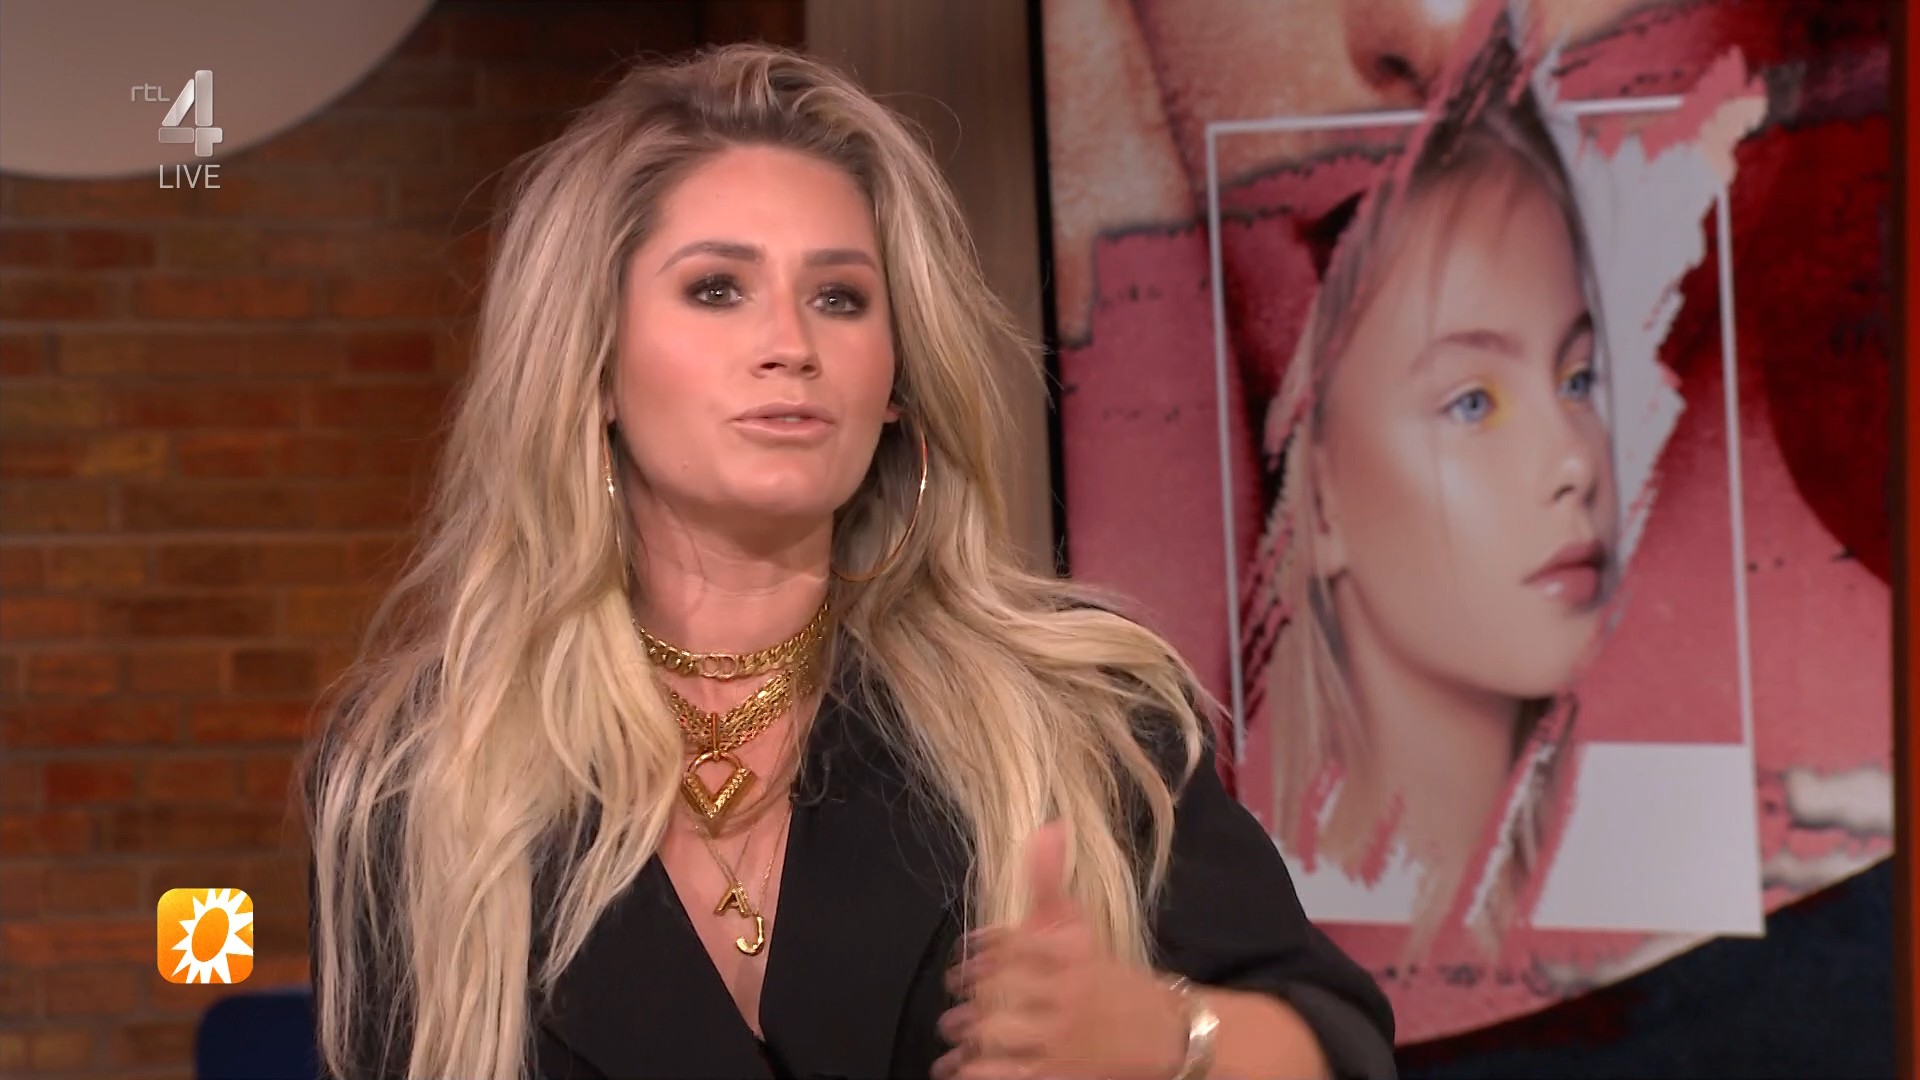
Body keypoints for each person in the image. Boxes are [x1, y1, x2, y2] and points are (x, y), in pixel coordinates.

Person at [302, 43, 1395, 1080]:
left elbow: (1341, 1047)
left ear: (896, 385)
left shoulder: (1082, 713)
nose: (792, 344)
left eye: (840, 297)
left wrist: (1166, 1036)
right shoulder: (419, 776)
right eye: (717, 289)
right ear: (591, 366)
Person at [1244, 26, 1619, 957]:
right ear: (1317, 505)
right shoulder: (1253, 909)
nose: (1575, 460)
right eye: (1472, 402)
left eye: (1577, 378)